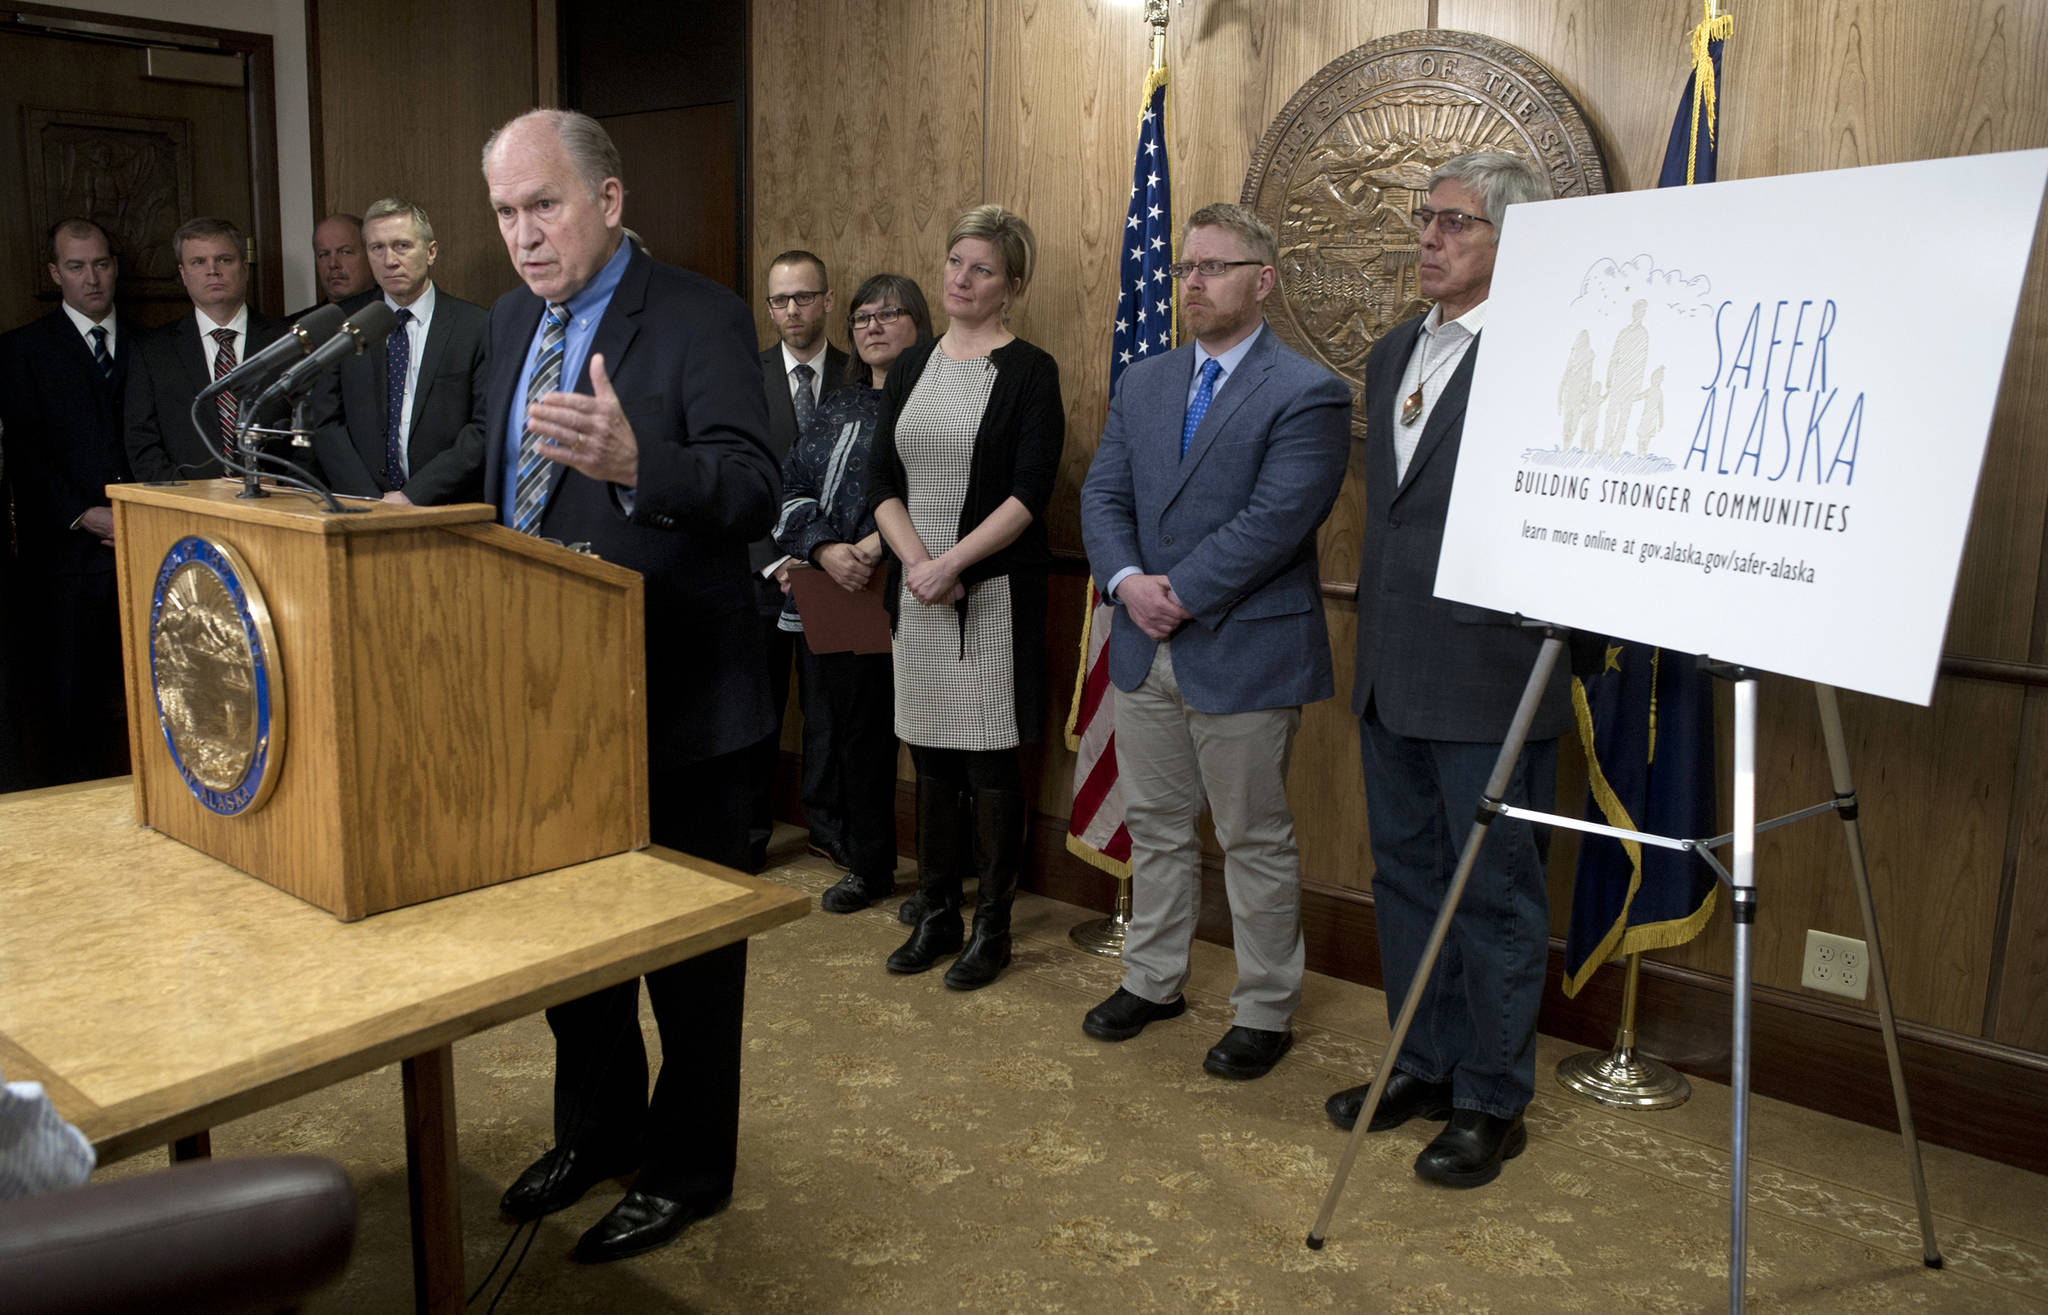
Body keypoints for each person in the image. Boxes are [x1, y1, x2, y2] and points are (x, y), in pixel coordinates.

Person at [475, 109, 779, 1261]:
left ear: (606, 199)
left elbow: (752, 487)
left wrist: (640, 465)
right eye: (504, 213)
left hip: (681, 696)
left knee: (690, 962)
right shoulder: (510, 321)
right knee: (569, 948)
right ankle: (598, 1129)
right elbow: (503, 473)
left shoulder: (700, 315)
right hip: (542, 701)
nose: (522, 235)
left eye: (541, 204)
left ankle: (689, 1164)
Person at [1327, 151, 1570, 1188]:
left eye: (1454, 223)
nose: (1426, 236)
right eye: (1424, 218)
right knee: (1406, 876)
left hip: (1489, 669)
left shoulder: (1547, 356)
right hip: (1389, 662)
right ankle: (1421, 1062)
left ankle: (1489, 1098)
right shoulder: (1390, 353)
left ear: (1509, 241)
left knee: (1494, 898)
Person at [1076, 203, 1352, 1080]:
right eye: (1185, 268)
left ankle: (1266, 1006)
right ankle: (1154, 978)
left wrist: (1179, 593)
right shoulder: (1146, 381)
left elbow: (1277, 521)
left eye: (1212, 268)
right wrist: (1126, 583)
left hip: (1244, 648)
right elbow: (1102, 497)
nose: (1191, 283)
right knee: (1156, 826)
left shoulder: (1308, 391)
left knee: (1252, 835)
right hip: (1142, 643)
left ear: (1261, 280)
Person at [867, 204, 1064, 991]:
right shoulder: (913, 365)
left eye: (981, 268)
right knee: (932, 761)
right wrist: (919, 565)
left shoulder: (1029, 372)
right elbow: (882, 479)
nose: (960, 278)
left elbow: (1028, 494)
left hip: (992, 599)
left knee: (989, 765)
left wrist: (952, 564)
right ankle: (937, 908)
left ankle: (993, 927)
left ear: (1011, 285)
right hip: (919, 597)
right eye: (954, 262)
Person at [772, 274, 932, 913]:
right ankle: (870, 867)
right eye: (863, 316)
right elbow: (792, 487)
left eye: (890, 314)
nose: (872, 325)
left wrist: (876, 546)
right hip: (839, 596)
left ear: (919, 323)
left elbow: (946, 495)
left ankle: (942, 876)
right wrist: (824, 549)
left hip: (920, 592)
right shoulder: (836, 405)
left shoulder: (937, 400)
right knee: (857, 737)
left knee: (932, 744)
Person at [0, 219, 135, 785]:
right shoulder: (21, 350)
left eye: (100, 264)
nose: (92, 278)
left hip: (141, 543)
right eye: (76, 267)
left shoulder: (149, 343)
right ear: (56, 274)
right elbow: (25, 455)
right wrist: (84, 513)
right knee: (68, 705)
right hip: (63, 558)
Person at [746, 250, 851, 871]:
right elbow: (733, 479)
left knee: (829, 715)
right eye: (779, 300)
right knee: (756, 713)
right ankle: (750, 833)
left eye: (803, 298)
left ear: (828, 300)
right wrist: (775, 562)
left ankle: (828, 827)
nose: (791, 311)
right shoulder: (741, 374)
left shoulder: (858, 372)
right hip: (759, 575)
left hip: (836, 575)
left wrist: (821, 557)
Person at [309, 197, 488, 503]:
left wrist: (413, 496)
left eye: (402, 246)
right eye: (377, 248)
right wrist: (371, 501)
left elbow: (484, 428)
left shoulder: (476, 326)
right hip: (363, 507)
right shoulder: (345, 325)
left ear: (431, 252)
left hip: (447, 508)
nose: (389, 260)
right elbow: (326, 423)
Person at [123, 217, 291, 483]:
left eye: (224, 260)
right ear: (183, 274)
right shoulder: (152, 351)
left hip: (276, 504)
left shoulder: (287, 341)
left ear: (245, 268)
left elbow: (312, 434)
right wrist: (187, 498)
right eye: (198, 262)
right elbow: (142, 443)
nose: (212, 271)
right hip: (186, 509)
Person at [286, 214, 377, 320]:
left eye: (345, 252)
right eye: (324, 254)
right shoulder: (299, 328)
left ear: (370, 256)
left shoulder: (396, 316)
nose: (333, 264)